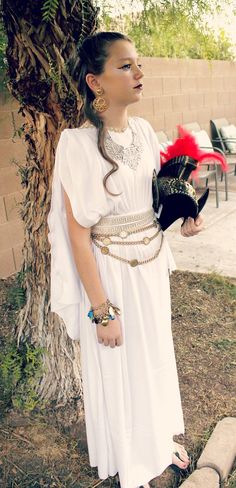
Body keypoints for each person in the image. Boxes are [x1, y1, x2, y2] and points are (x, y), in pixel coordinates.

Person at [47, 31, 204, 488]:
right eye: (125, 66)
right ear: (95, 82)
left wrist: (184, 215)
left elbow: (151, 200)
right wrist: (101, 309)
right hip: (110, 272)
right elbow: (78, 237)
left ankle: (156, 442)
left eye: (138, 64)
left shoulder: (142, 130)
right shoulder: (75, 144)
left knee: (153, 356)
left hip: (150, 267)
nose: (139, 74)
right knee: (119, 362)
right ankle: (131, 456)